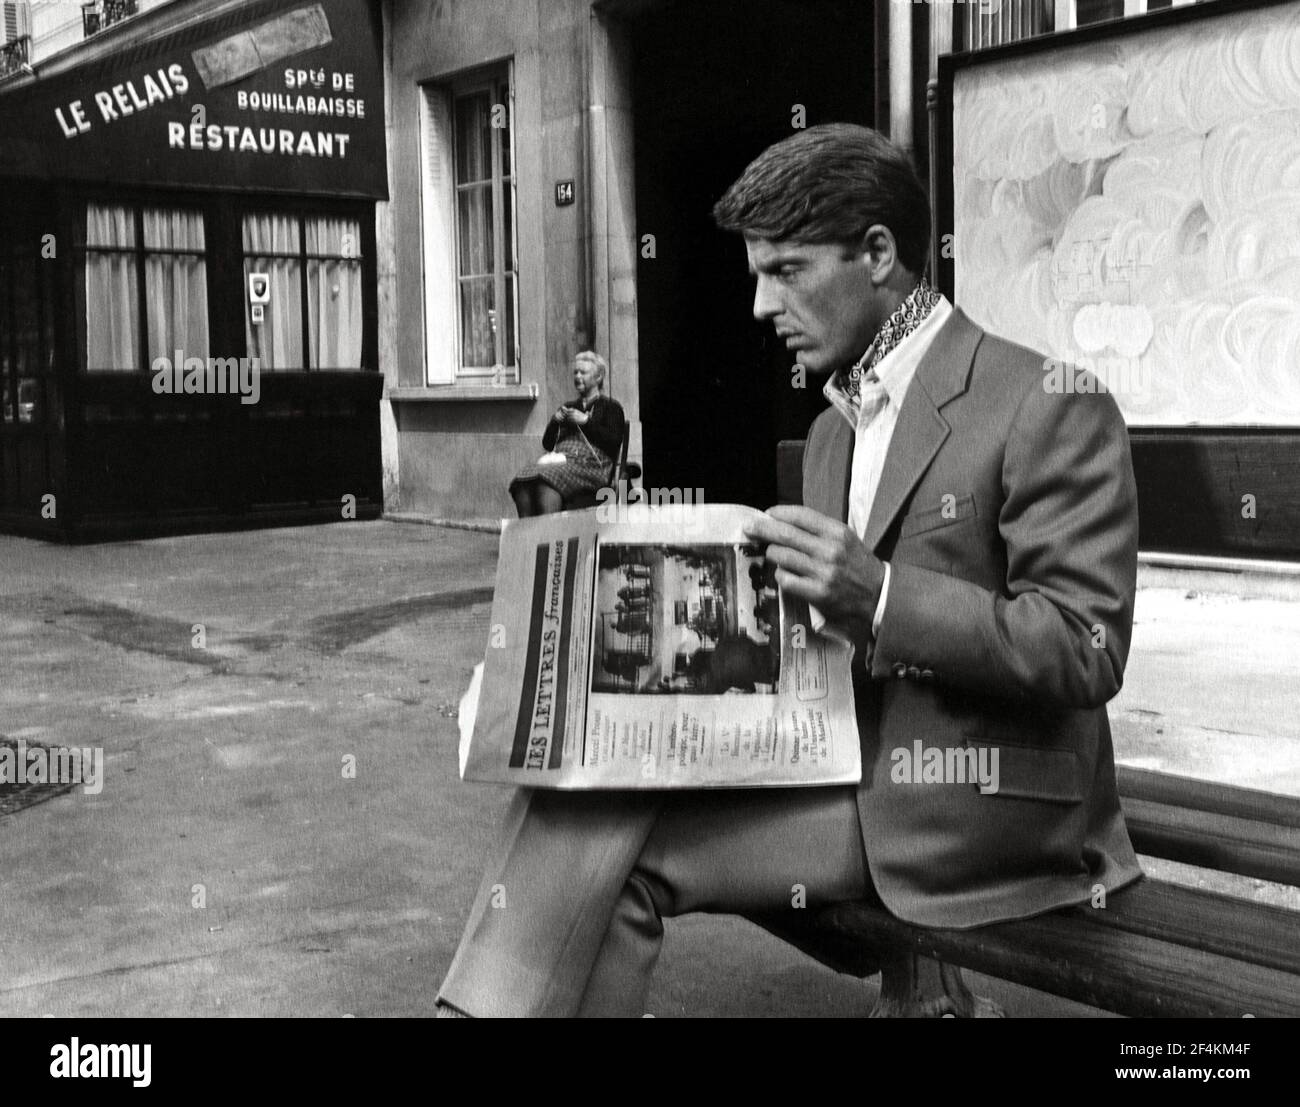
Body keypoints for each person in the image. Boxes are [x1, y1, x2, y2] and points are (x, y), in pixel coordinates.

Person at [436, 123, 1141, 1017]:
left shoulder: (1045, 403)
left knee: (620, 858)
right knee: (577, 789)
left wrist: (879, 596)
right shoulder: (831, 430)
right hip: (846, 767)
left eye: (787, 271)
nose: (761, 307)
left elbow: (1086, 648)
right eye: (756, 275)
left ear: (877, 253)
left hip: (990, 805)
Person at [508, 350, 624, 516]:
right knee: (523, 479)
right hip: (565, 461)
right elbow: (548, 444)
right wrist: (555, 421)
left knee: (547, 480)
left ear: (598, 377)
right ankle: (530, 537)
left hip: (593, 467)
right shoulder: (570, 406)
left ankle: (551, 535)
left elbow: (613, 442)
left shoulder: (611, 408)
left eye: (583, 372)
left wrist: (586, 422)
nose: (577, 376)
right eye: (575, 372)